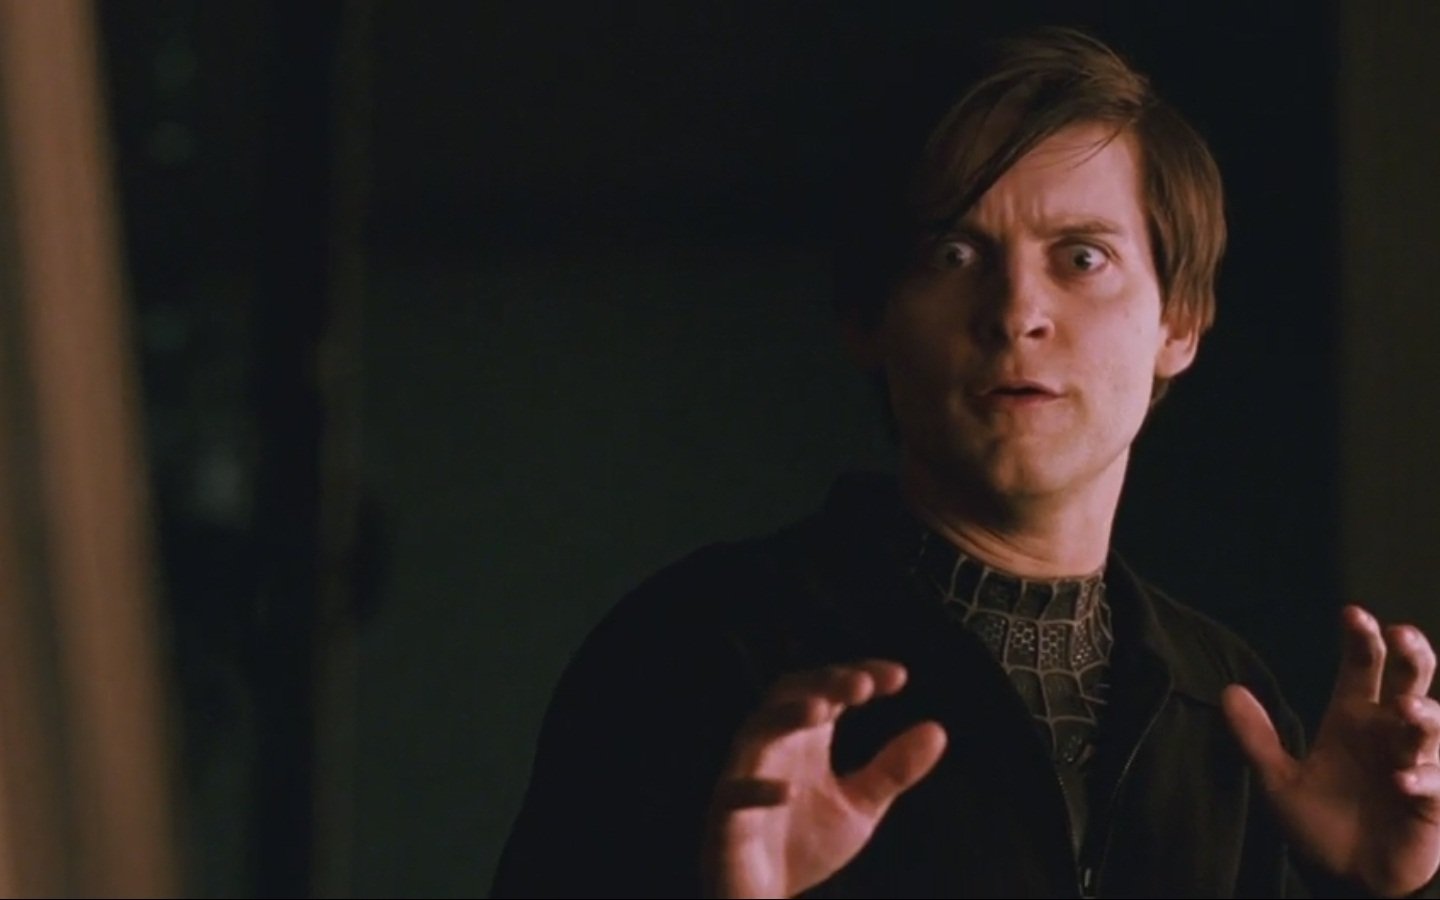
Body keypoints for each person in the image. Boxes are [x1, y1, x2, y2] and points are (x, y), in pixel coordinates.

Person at [491, 27, 1440, 899]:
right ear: (868, 320)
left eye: (1082, 258)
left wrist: (1376, 890)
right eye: (953, 253)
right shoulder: (695, 652)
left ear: (1179, 323)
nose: (1016, 312)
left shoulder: (1227, 704)